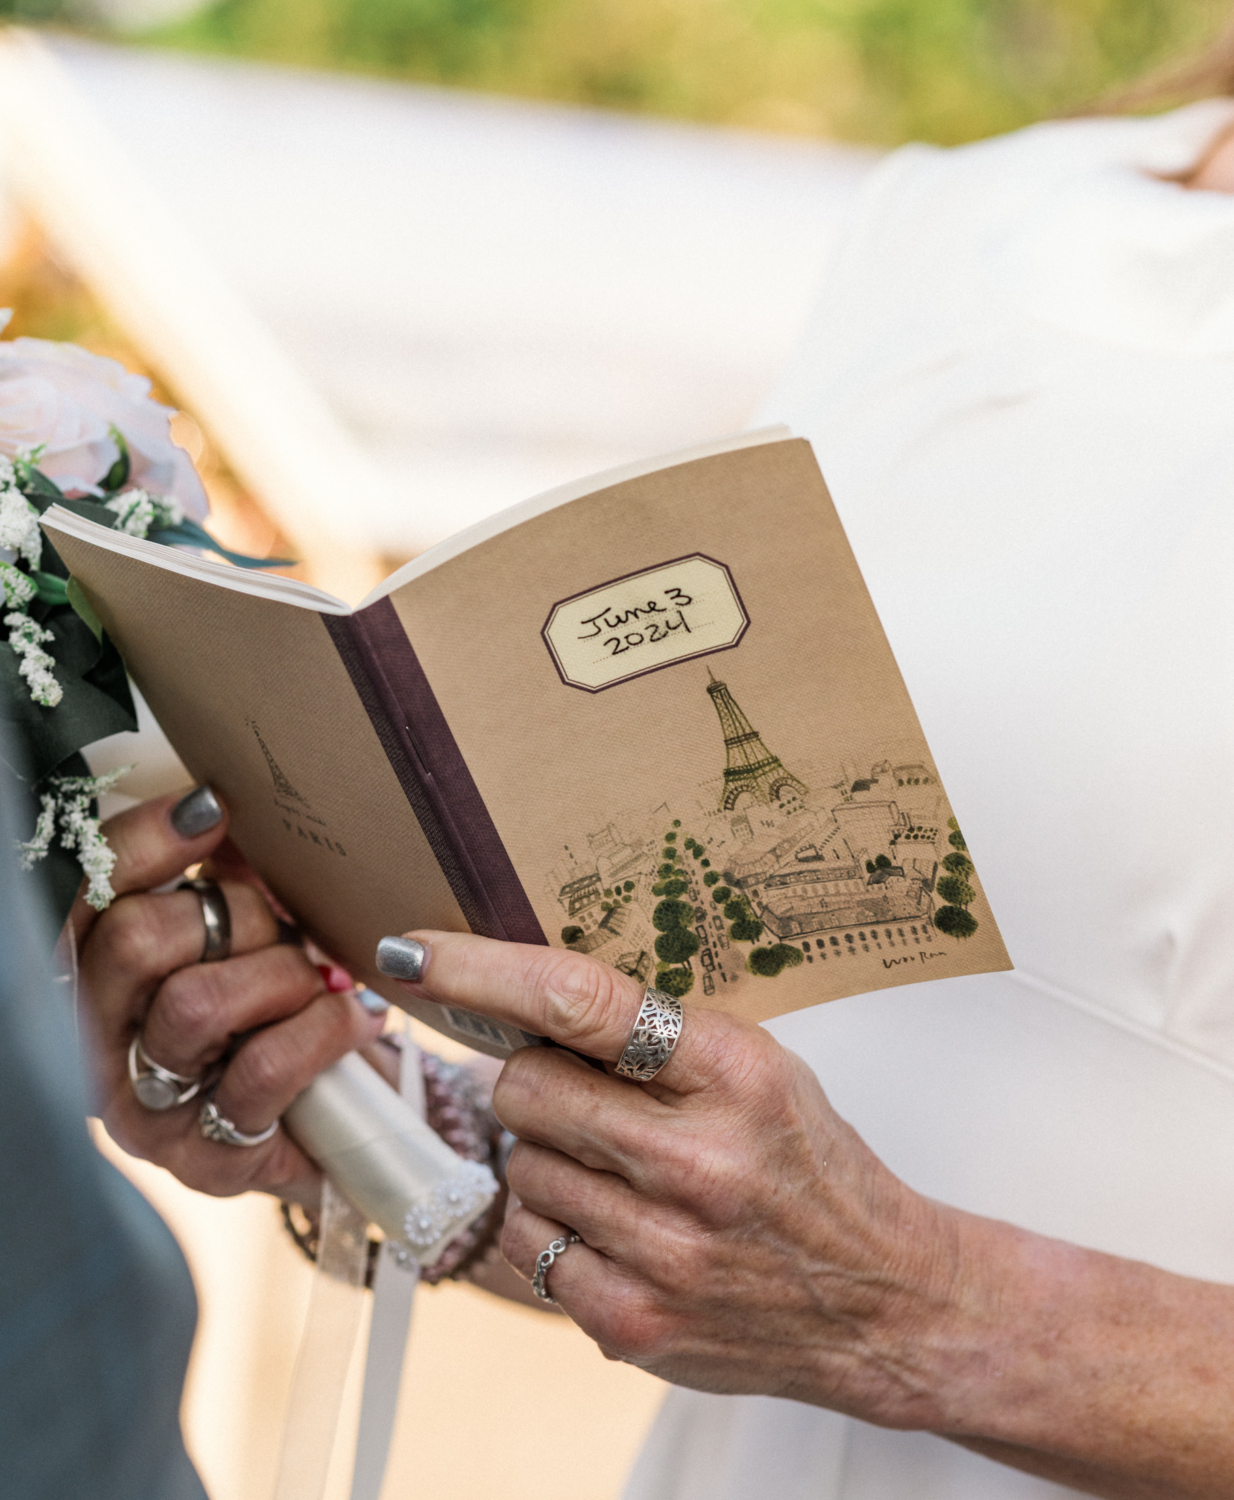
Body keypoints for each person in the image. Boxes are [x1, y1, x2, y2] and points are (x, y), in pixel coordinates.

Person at [73, 17, 1234, 1499]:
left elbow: (860, 1281)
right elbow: (793, 1196)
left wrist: (926, 1313)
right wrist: (367, 1121)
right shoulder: (961, 214)